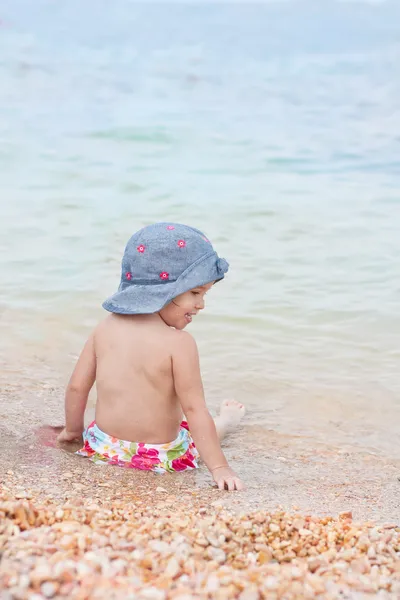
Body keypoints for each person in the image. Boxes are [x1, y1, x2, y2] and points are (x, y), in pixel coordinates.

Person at [58, 223, 245, 491]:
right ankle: (227, 421)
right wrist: (220, 468)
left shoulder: (104, 327)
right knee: (201, 432)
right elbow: (194, 410)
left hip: (103, 448)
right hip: (160, 457)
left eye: (204, 294)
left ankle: (223, 423)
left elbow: (77, 387)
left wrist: (73, 433)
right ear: (163, 289)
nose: (201, 304)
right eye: (195, 293)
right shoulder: (179, 343)